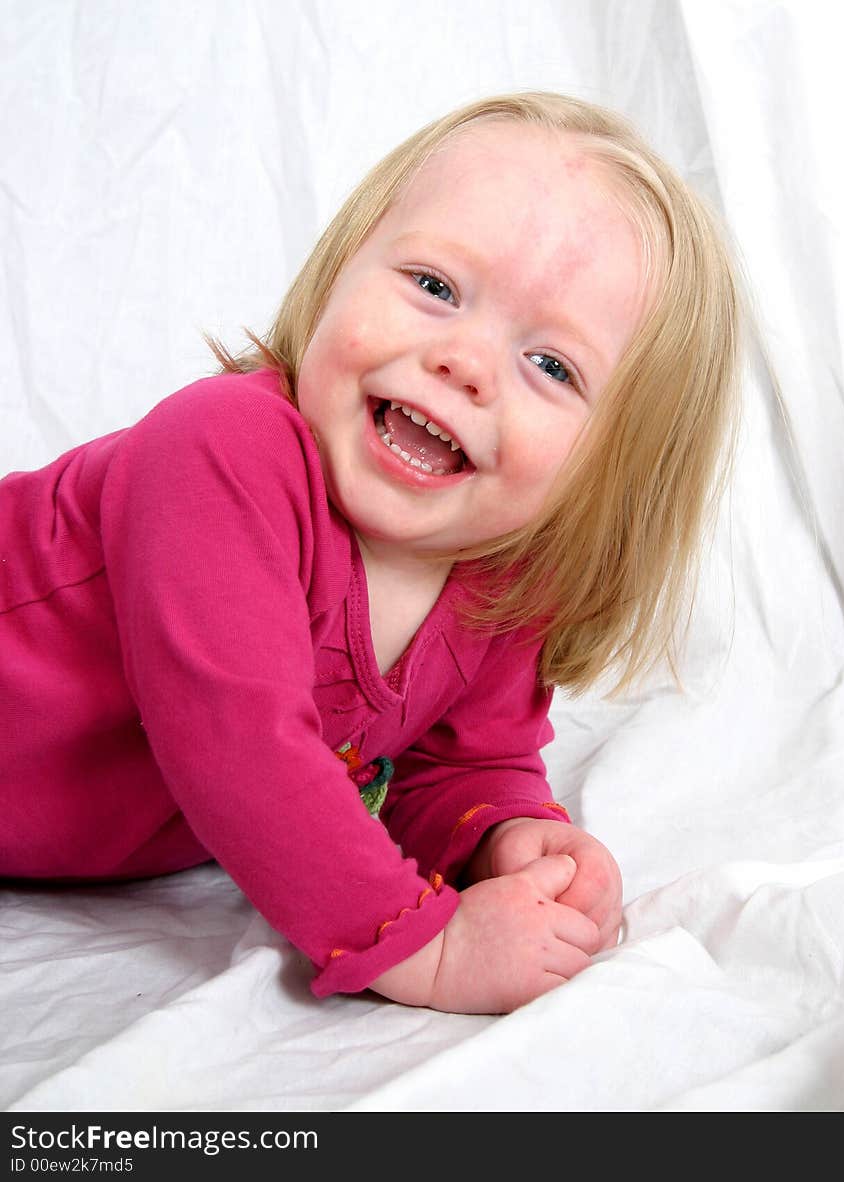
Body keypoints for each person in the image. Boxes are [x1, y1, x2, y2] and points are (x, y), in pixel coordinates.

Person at [0, 92, 740, 1014]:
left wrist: (506, 836)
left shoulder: (500, 571)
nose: (464, 360)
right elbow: (243, 747)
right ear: (344, 265)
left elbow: (454, 764)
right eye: (434, 286)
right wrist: (421, 948)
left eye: (552, 365)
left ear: (612, 468)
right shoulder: (220, 451)